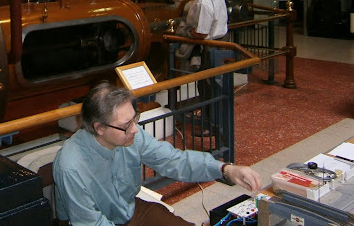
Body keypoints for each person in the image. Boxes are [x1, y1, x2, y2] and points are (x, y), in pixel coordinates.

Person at [53, 82, 262, 226]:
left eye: (135, 119)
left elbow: (173, 160)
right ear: (99, 128)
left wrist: (225, 169)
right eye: (126, 125)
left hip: (128, 210)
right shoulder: (71, 166)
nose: (135, 129)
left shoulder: (131, 134)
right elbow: (91, 223)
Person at [175, 0, 228, 70]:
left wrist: (184, 31)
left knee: (207, 83)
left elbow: (201, 33)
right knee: (216, 80)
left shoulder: (204, 1)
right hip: (219, 44)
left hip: (209, 50)